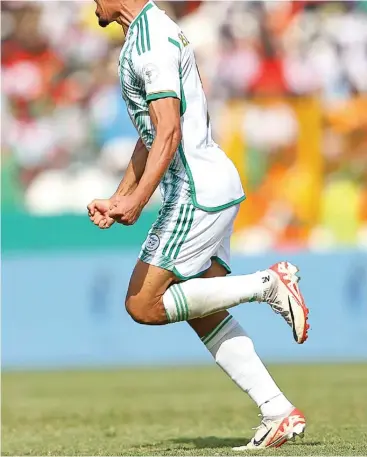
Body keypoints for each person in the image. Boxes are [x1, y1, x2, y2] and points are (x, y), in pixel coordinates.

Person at [87, 0, 309, 449]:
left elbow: (167, 132)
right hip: (210, 183)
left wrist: (138, 201)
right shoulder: (148, 32)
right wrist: (120, 195)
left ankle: (268, 284)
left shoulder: (150, 42)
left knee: (143, 304)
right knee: (202, 312)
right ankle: (277, 410)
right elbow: (152, 134)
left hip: (195, 193)